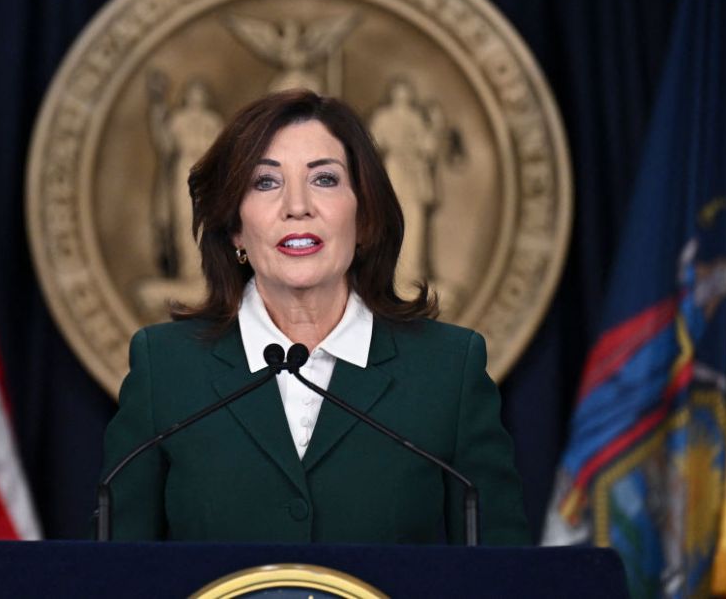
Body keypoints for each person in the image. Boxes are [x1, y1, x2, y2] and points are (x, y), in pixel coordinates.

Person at [100, 89, 529, 545]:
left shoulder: (447, 369)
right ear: (234, 229)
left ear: (364, 217)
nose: (297, 205)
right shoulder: (166, 368)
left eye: (324, 179)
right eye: (265, 182)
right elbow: (112, 578)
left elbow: (504, 577)